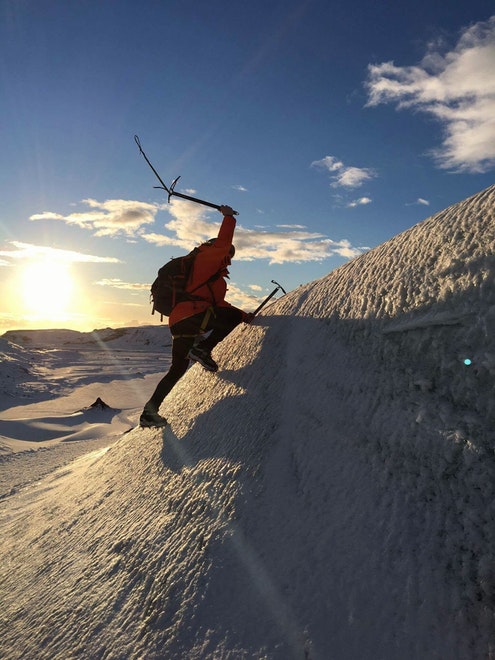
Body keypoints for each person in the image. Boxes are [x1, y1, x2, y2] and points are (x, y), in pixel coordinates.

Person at [140, 205, 253, 428]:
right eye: (228, 255)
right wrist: (229, 218)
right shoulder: (205, 258)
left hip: (180, 320)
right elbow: (223, 243)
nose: (228, 259)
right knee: (228, 318)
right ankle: (202, 349)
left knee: (178, 368)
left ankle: (149, 412)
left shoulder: (214, 279)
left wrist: (242, 316)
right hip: (192, 314)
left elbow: (219, 305)